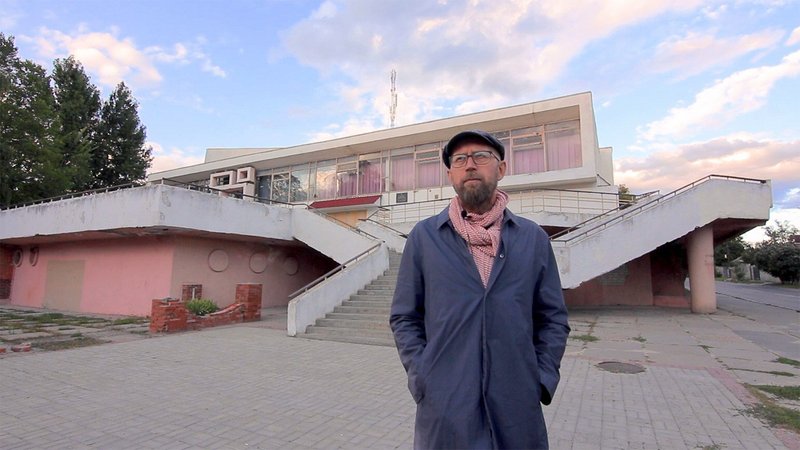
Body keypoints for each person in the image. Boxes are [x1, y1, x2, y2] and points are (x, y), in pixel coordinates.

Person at [390, 130, 570, 449]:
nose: (470, 165)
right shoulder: (424, 238)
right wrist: (423, 377)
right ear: (450, 175)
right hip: (445, 408)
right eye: (460, 159)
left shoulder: (532, 239)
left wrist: (541, 378)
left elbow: (553, 319)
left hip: (516, 408)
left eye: (481, 156)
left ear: (501, 169)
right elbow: (405, 317)